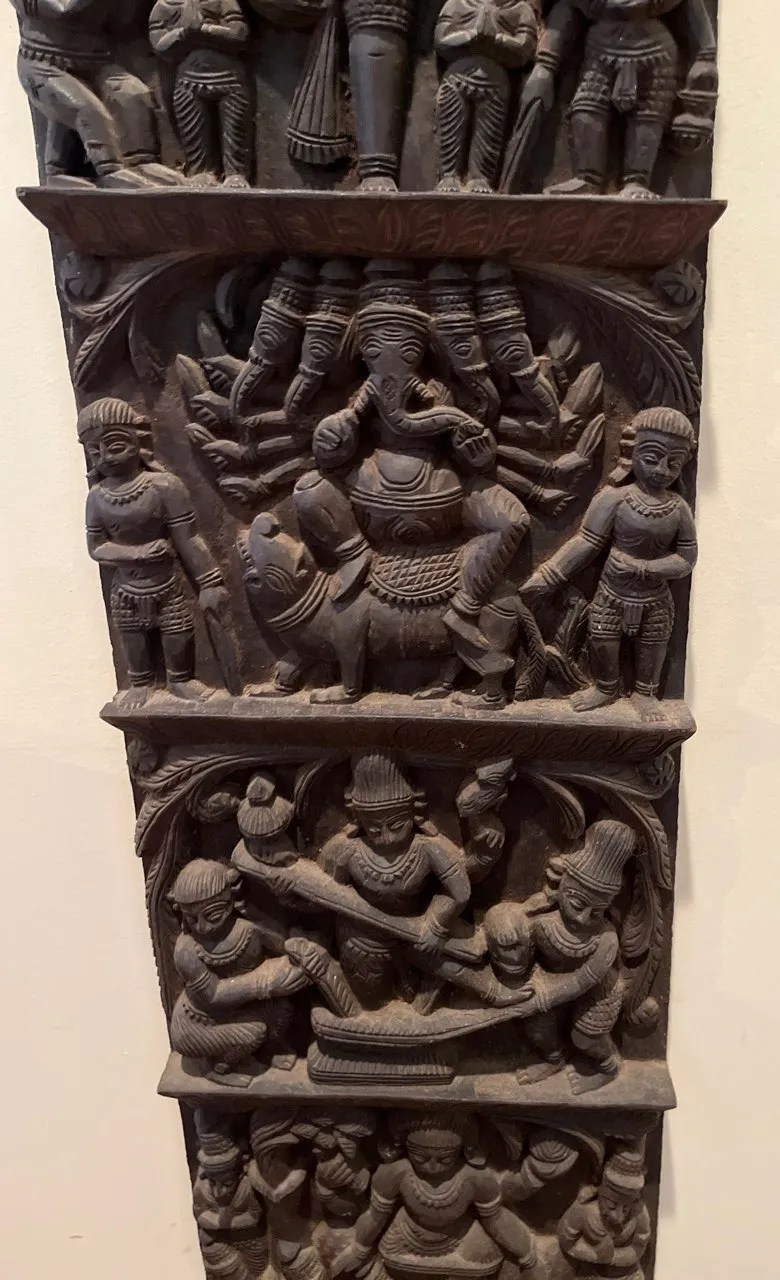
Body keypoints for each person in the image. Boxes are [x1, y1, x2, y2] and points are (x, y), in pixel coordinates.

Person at [522, 407, 697, 720]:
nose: (661, 470)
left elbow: (686, 559)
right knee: (603, 637)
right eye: (652, 458)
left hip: (655, 596)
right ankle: (605, 687)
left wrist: (645, 568)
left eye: (673, 463)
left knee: (654, 640)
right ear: (631, 453)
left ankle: (645, 692)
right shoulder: (614, 498)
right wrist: (549, 576)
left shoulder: (678, 508)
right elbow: (586, 543)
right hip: (612, 592)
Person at [78, 397, 230, 703]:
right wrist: (137, 553)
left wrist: (210, 582)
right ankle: (140, 683)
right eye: (95, 451)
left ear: (140, 442)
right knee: (131, 633)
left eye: (115, 446)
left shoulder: (163, 486)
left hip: (166, 583)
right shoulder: (97, 497)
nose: (105, 458)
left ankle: (180, 680)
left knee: (177, 628)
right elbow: (97, 547)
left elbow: (188, 538)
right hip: (125, 588)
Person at [13, 0, 183, 187]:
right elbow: (63, 11)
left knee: (133, 94)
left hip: (95, 62)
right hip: (44, 64)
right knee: (87, 110)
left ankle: (140, 162)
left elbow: (123, 22)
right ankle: (109, 170)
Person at [149, 0, 253, 186]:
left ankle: (235, 173)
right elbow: (159, 45)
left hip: (228, 78)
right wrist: (183, 32)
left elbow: (239, 34)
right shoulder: (165, 6)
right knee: (193, 131)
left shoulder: (222, 1)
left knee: (235, 130)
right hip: (188, 80)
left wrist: (206, 29)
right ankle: (201, 172)